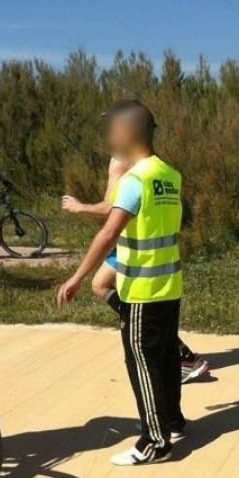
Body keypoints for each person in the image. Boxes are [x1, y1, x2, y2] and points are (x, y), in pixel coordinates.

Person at [57, 100, 185, 466]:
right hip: (169, 284)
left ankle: (155, 441)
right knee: (165, 358)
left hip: (142, 290)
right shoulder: (170, 175)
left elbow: (109, 232)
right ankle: (173, 422)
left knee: (142, 362)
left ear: (129, 132)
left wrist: (78, 276)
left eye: (112, 130)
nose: (109, 137)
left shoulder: (135, 180)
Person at [61, 158, 210, 384]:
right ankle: (173, 351)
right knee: (102, 285)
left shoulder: (121, 160)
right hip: (136, 241)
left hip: (135, 242)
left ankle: (184, 356)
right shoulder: (135, 160)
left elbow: (113, 207)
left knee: (107, 289)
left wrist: (80, 207)